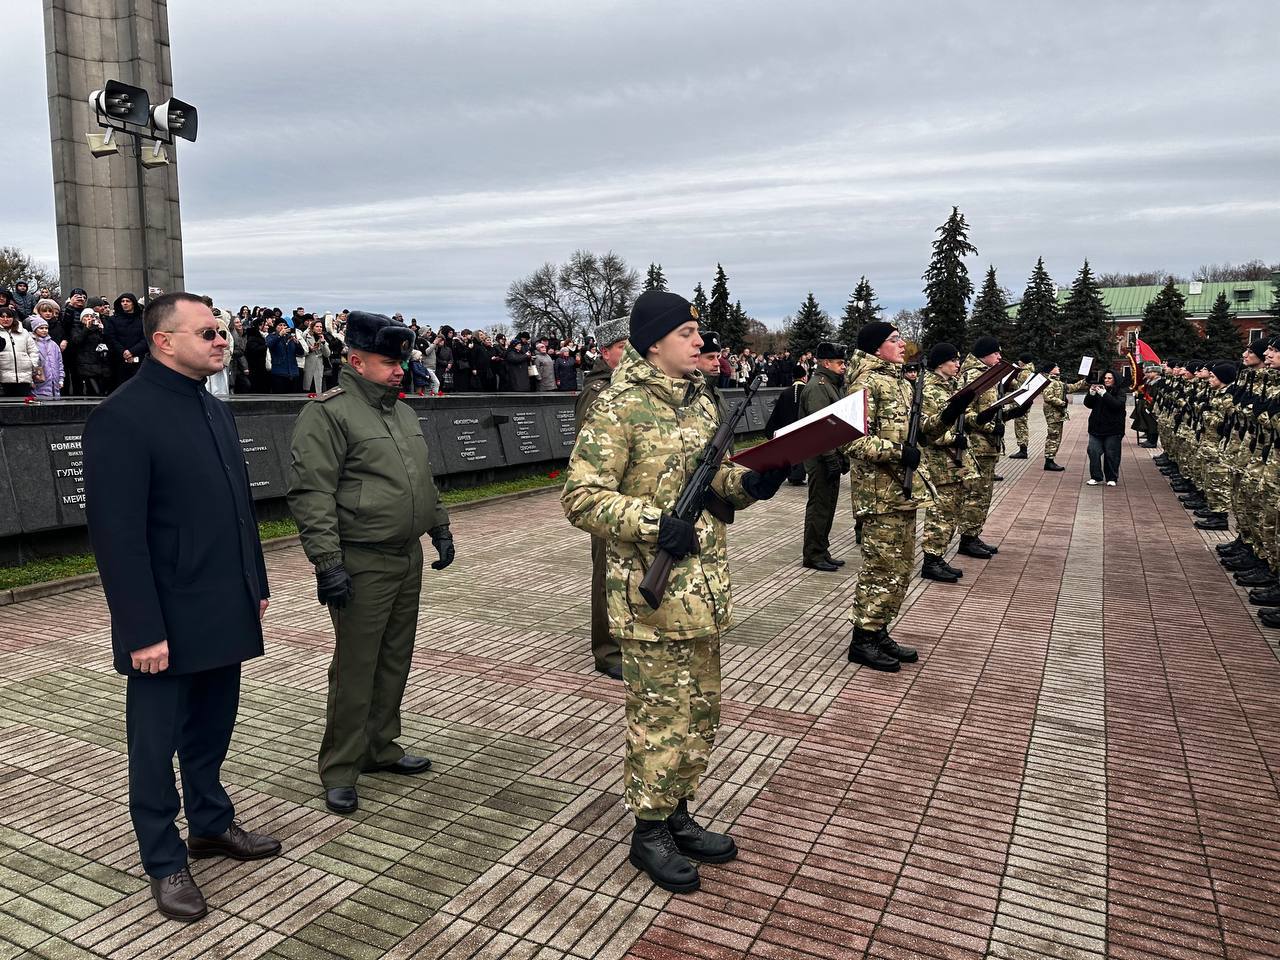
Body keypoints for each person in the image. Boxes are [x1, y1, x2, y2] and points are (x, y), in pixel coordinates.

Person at [561, 290, 788, 895]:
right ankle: (649, 830)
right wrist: (658, 524)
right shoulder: (620, 407)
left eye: (699, 333)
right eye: (687, 332)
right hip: (651, 596)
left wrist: (752, 481)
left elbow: (715, 479)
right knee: (658, 719)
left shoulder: (700, 404)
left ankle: (678, 812)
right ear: (654, 342)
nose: (699, 342)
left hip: (703, 593)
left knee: (699, 714)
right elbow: (581, 497)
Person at [83, 292, 279, 923]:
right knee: (154, 742)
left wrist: (256, 582)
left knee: (211, 730)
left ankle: (211, 824)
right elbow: (117, 536)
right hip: (164, 619)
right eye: (208, 332)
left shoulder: (213, 409)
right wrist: (141, 630)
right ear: (164, 341)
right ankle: (164, 860)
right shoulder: (123, 416)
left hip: (224, 602)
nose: (222, 339)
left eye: (222, 330)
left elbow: (237, 508)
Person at [287, 311, 454, 816]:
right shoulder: (329, 413)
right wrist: (327, 563)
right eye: (388, 361)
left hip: (405, 556)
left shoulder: (400, 412)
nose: (400, 369)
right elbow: (311, 492)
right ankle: (340, 766)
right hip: (361, 559)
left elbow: (420, 478)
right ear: (355, 361)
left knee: (395, 656)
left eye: (401, 360)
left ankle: (381, 747)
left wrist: (438, 525)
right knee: (356, 666)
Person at [844, 322, 929, 672]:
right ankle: (862, 639)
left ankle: (879, 629)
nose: (902, 344)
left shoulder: (898, 381)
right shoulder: (865, 382)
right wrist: (897, 452)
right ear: (877, 348)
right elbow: (852, 439)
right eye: (894, 340)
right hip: (879, 496)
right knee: (880, 568)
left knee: (900, 567)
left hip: (902, 491)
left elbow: (918, 429)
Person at [574, 316, 629, 681]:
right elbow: (591, 449)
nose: (629, 354)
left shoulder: (627, 386)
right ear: (605, 351)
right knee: (605, 571)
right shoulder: (598, 392)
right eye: (623, 348)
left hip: (631, 498)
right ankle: (606, 650)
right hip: (606, 497)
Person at [919, 342, 975, 582]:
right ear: (941, 363)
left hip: (954, 461)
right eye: (954, 360)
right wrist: (954, 437)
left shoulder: (950, 385)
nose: (958, 364)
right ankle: (930, 560)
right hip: (940, 461)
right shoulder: (929, 389)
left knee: (951, 511)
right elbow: (926, 427)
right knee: (940, 512)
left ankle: (939, 555)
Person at [956, 335, 1013, 559]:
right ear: (985, 355)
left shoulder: (991, 376)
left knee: (984, 494)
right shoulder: (972, 377)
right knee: (975, 494)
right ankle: (967, 539)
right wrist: (990, 427)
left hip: (989, 446)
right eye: (996, 353)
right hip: (977, 445)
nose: (1000, 357)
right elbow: (964, 412)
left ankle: (973, 534)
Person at [799, 341, 848, 571]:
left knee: (827, 505)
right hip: (820, 456)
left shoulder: (831, 383)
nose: (844, 367)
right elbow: (821, 427)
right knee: (819, 505)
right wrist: (830, 457)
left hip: (830, 454)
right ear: (826, 363)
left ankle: (822, 548)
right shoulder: (819, 386)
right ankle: (813, 554)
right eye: (840, 363)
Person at [763, 363, 809, 485]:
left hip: (788, 429)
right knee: (802, 451)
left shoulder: (785, 393)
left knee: (791, 451)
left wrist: (771, 430)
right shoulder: (808, 391)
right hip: (803, 428)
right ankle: (798, 476)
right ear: (804, 377)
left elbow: (777, 413)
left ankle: (792, 475)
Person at [1038, 362, 1085, 472]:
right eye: (1056, 367)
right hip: (1053, 414)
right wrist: (1062, 403)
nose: (1058, 368)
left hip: (1058, 414)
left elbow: (1070, 388)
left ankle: (1051, 460)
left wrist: (1083, 382)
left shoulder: (1058, 382)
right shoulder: (1049, 382)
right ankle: (1049, 461)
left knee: (1056, 436)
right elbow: (1048, 397)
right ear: (1050, 370)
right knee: (1053, 436)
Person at [1083, 369, 1126, 486]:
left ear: (1114, 380)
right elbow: (1088, 404)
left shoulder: (1120, 392)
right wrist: (1091, 393)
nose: (1106, 380)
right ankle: (1096, 476)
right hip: (1096, 428)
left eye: (1109, 378)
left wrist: (1104, 394)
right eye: (1105, 378)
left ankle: (1111, 477)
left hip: (1113, 429)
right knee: (1093, 451)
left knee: (1111, 453)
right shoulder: (1099, 389)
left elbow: (1117, 405)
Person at [105, 293, 147, 389]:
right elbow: (111, 338)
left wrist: (132, 352)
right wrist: (123, 352)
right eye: (122, 301)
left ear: (133, 304)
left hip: (138, 359)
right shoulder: (113, 320)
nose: (125, 303)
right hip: (118, 360)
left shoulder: (142, 320)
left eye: (128, 301)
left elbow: (145, 339)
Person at [69, 306, 112, 396]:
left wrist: (103, 330)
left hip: (99, 362)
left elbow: (106, 342)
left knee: (101, 390)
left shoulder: (97, 329)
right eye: (86, 316)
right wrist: (86, 329)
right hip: (85, 363)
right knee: (93, 389)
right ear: (82, 319)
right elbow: (77, 341)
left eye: (91, 316)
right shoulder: (77, 329)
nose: (89, 318)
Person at [0, 306, 42, 396]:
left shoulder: (24, 332)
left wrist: (32, 364)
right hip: (3, 377)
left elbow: (33, 351)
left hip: (24, 376)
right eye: (2, 317)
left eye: (8, 317)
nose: (5, 319)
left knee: (23, 404)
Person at [1006, 353, 1035, 458]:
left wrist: (1010, 379)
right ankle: (1023, 449)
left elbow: (1020, 388)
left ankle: (1023, 450)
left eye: (1020, 360)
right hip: (1024, 401)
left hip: (1021, 402)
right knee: (1022, 423)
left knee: (1021, 425)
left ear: (1023, 361)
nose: (1018, 361)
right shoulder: (1028, 371)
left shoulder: (1024, 373)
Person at [695, 330, 729, 419]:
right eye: (710, 357)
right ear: (694, 357)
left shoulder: (714, 390)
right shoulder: (689, 393)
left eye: (717, 357)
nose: (717, 363)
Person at [30, 314, 64, 399]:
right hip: (39, 382)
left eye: (46, 328)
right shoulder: (31, 343)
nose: (44, 330)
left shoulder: (54, 344)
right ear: (35, 329)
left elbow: (59, 363)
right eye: (41, 328)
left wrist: (61, 379)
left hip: (54, 384)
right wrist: (30, 380)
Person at [265, 319, 302, 393]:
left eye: (284, 325)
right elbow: (269, 345)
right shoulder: (271, 336)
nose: (282, 327)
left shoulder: (290, 337)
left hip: (293, 372)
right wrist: (279, 335)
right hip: (279, 373)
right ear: (276, 327)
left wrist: (297, 343)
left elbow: (301, 353)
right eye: (280, 325)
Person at [301, 318, 331, 394]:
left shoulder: (322, 337)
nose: (319, 328)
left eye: (321, 327)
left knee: (317, 390)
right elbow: (301, 351)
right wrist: (310, 349)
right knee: (308, 388)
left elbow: (327, 354)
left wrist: (323, 343)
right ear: (312, 327)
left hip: (319, 365)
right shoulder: (306, 336)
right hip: (308, 364)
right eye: (317, 326)